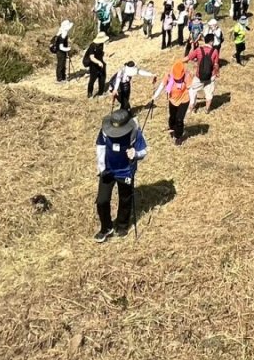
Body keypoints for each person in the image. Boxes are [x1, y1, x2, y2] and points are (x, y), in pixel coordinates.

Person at [93, 106, 148, 242]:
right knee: (102, 200)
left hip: (126, 170)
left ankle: (122, 225)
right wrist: (101, 167)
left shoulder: (134, 131)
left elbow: (144, 150)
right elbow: (100, 146)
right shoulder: (105, 131)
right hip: (108, 170)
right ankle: (106, 227)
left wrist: (135, 154)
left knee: (125, 198)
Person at [155, 59, 194, 145]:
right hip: (172, 100)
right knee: (172, 117)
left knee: (179, 119)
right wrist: (155, 96)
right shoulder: (168, 75)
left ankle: (178, 136)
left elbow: (190, 89)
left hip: (184, 100)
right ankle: (172, 128)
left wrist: (192, 102)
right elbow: (162, 85)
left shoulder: (187, 75)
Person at [191, 42, 219, 112]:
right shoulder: (215, 51)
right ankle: (207, 109)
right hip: (210, 76)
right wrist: (217, 73)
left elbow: (190, 57)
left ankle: (191, 107)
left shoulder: (198, 50)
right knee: (209, 93)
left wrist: (195, 60)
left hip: (199, 76)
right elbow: (216, 64)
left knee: (193, 90)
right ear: (212, 42)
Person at [83, 33, 109, 98]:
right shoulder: (92, 46)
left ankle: (101, 92)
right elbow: (92, 57)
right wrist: (98, 62)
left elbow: (100, 53)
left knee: (102, 78)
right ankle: (89, 94)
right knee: (92, 80)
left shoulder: (101, 44)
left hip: (100, 63)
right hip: (93, 65)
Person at [48, 19, 74, 83]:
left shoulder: (62, 33)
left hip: (61, 52)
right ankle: (59, 79)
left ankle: (63, 77)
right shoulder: (62, 35)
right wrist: (68, 49)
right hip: (60, 52)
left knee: (63, 64)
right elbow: (61, 47)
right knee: (60, 65)